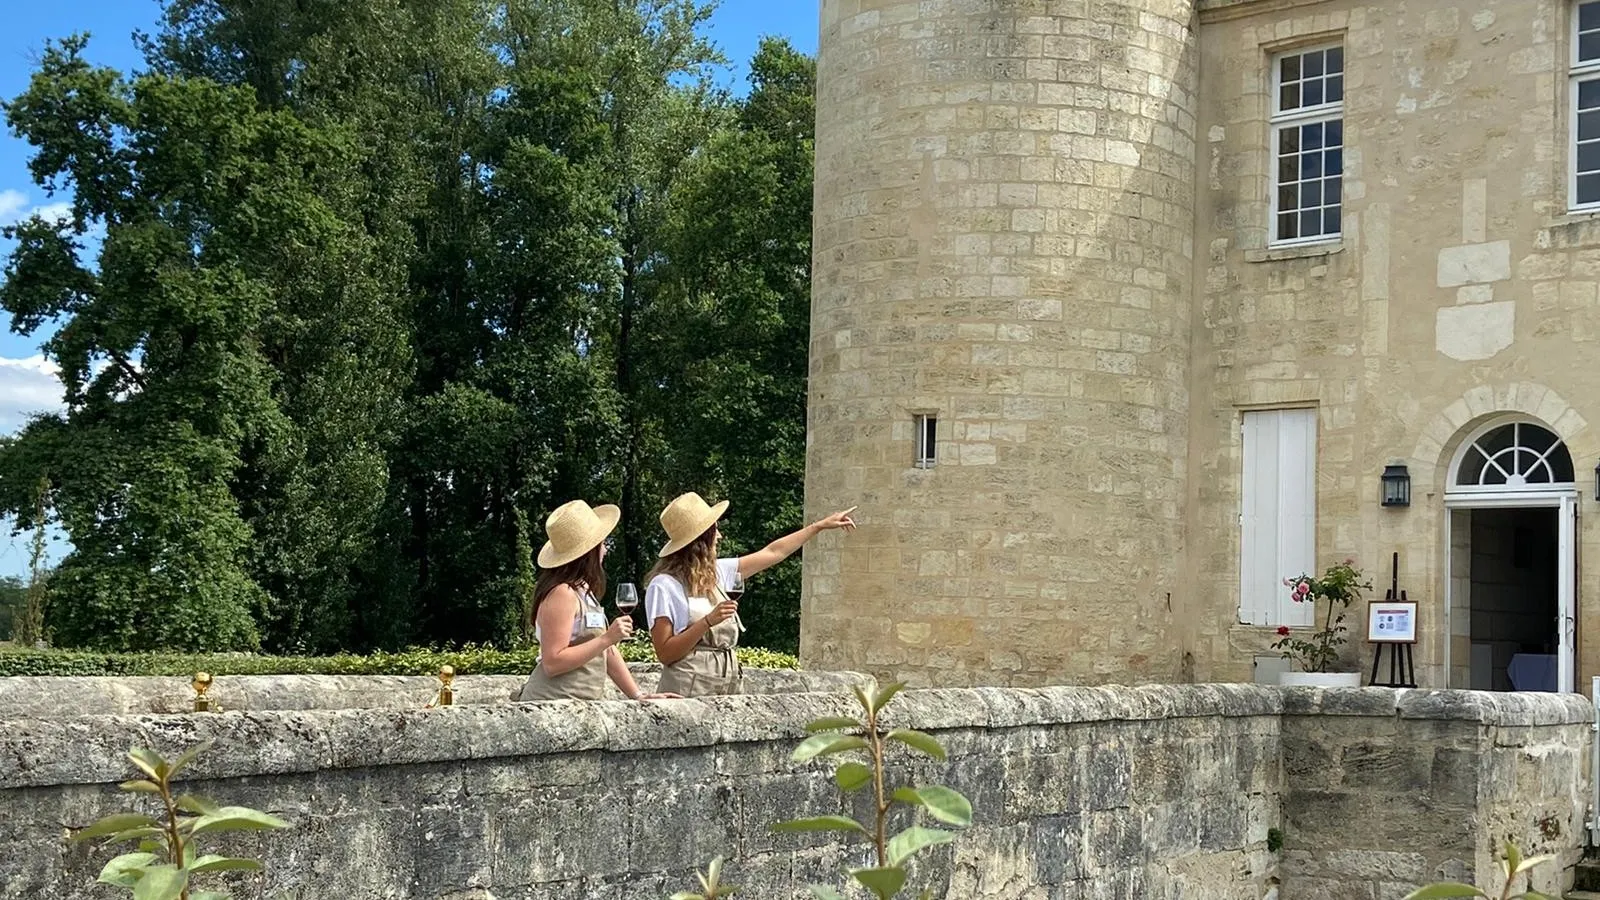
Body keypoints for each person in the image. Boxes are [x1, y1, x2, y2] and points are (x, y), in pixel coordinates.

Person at [645, 492, 857, 697]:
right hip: (686, 691)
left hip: (724, 687)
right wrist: (707, 622)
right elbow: (665, 653)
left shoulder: (717, 572)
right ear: (702, 540)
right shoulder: (664, 586)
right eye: (715, 530)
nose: (720, 536)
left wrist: (818, 527)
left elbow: (773, 552)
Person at [515, 499, 674, 702]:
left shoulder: (583, 591)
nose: (606, 550)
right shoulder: (562, 593)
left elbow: (607, 651)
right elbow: (552, 662)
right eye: (602, 544)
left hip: (576, 703)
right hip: (552, 703)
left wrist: (638, 695)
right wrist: (607, 638)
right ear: (589, 551)